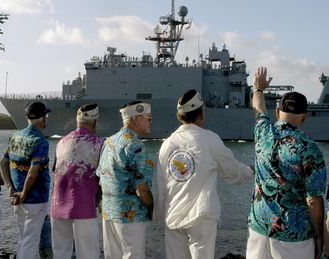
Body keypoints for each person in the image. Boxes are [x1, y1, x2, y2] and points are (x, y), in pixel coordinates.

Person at [155, 89, 253, 259]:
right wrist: (249, 171)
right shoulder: (210, 139)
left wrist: (160, 213)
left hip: (173, 216)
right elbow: (232, 171)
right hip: (201, 218)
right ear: (201, 115)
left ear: (180, 116)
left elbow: (160, 183)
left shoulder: (167, 144)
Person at [246, 67, 326, 259]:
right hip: (293, 236)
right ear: (305, 116)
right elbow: (314, 201)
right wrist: (319, 235)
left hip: (258, 228)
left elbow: (259, 109)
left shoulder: (263, 132)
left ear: (277, 111)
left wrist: (258, 88)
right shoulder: (310, 149)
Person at [96, 101, 154, 259]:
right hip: (130, 216)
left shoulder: (109, 142)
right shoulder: (136, 145)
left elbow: (101, 178)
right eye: (148, 118)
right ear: (136, 118)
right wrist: (151, 207)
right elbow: (141, 189)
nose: (151, 121)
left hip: (109, 213)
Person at [51, 103, 105, 259]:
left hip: (57, 205)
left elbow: (56, 172)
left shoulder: (61, 142)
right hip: (84, 205)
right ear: (95, 122)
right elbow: (104, 176)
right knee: (88, 253)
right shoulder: (100, 143)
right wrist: (99, 199)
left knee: (60, 253)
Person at [0, 101, 51, 259]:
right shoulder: (40, 141)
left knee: (24, 237)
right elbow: (33, 173)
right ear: (43, 118)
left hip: (17, 196)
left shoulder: (15, 136)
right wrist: (25, 193)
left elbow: (2, 163)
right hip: (35, 198)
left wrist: (10, 188)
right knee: (31, 240)